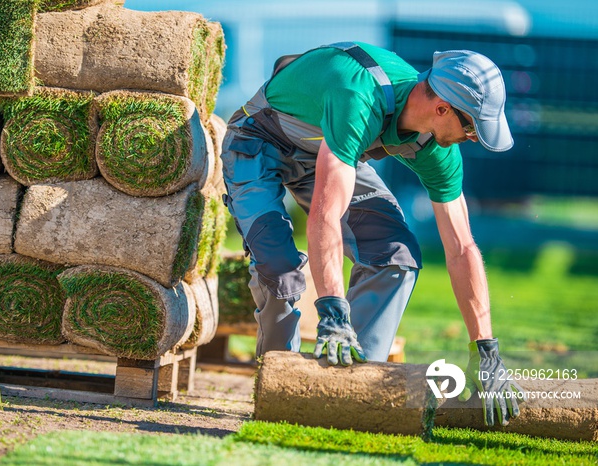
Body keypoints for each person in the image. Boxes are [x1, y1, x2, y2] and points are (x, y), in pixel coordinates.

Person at [220, 42, 524, 426]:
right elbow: (325, 215)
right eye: (471, 126)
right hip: (257, 141)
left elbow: (462, 246)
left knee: (395, 256)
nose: (472, 137)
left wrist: (486, 349)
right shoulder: (358, 96)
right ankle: (282, 394)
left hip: (329, 152)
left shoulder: (437, 148)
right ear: (442, 108)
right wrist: (331, 309)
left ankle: (344, 393)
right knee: (280, 270)